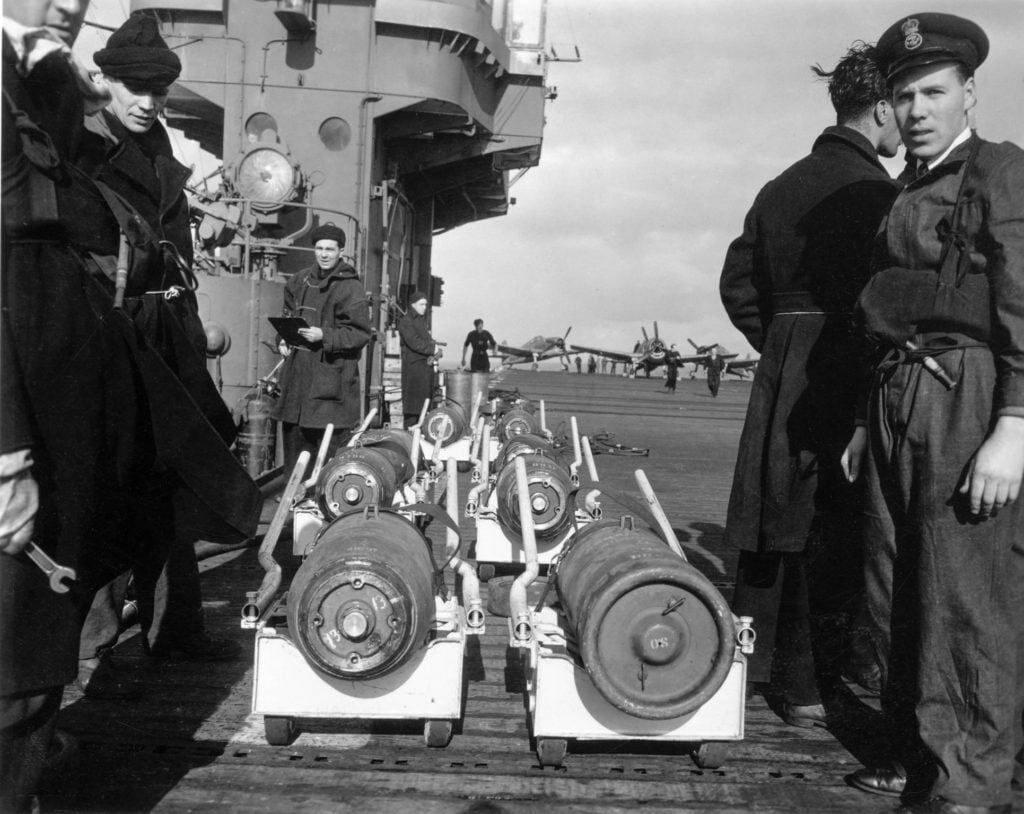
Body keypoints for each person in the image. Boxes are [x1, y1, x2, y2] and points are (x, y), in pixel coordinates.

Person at [845, 14, 1024, 812]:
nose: (917, 109)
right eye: (904, 95)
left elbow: (1023, 301)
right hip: (897, 395)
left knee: (965, 599)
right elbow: (894, 310)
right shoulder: (909, 189)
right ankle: (924, 757)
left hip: (967, 395)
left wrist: (1015, 427)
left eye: (933, 92)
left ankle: (968, 787)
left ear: (969, 93)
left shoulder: (999, 171)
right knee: (896, 589)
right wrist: (863, 419)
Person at [72, 12, 258, 683]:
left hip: (167, 343)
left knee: (172, 484)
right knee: (108, 491)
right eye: (133, 88)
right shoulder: (81, 153)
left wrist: (191, 332)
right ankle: (99, 651)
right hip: (110, 341)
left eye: (157, 92)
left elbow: (177, 259)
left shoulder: (165, 163)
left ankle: (174, 629)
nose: (147, 103)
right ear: (106, 82)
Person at [719, 42, 901, 729]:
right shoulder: (878, 194)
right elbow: (880, 299)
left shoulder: (780, 186)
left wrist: (781, 344)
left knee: (771, 519)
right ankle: (803, 687)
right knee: (832, 525)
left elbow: (737, 283)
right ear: (881, 110)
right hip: (845, 366)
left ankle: (737, 668)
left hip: (784, 367)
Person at [272, 222, 372, 477]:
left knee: (327, 466)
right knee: (295, 461)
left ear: (340, 252)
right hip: (297, 390)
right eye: (319, 248)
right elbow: (287, 316)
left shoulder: (351, 287)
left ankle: (323, 514)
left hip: (331, 391)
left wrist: (323, 335)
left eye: (330, 249)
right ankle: (294, 512)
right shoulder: (299, 280)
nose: (324, 254)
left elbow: (360, 334)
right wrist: (282, 340)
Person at [397, 291, 441, 427]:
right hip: (414, 371)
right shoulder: (406, 322)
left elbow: (424, 340)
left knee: (422, 406)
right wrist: (432, 349)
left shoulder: (420, 321)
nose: (425, 307)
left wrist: (435, 347)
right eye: (422, 304)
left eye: (426, 304)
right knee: (412, 409)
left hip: (423, 370)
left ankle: (418, 433)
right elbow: (414, 342)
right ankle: (410, 435)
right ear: (413, 305)